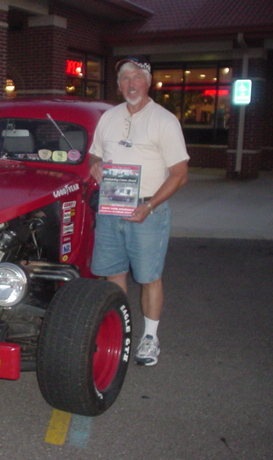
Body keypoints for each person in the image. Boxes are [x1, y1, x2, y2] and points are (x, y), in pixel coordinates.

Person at [89, 57, 189, 366]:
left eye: (137, 77)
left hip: (148, 208)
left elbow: (180, 173)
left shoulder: (165, 120)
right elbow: (96, 152)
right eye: (124, 79)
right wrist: (95, 165)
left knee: (148, 277)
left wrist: (149, 205)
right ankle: (122, 329)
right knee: (113, 272)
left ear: (148, 82)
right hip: (111, 206)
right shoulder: (109, 117)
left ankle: (150, 338)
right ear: (118, 86)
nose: (131, 84)